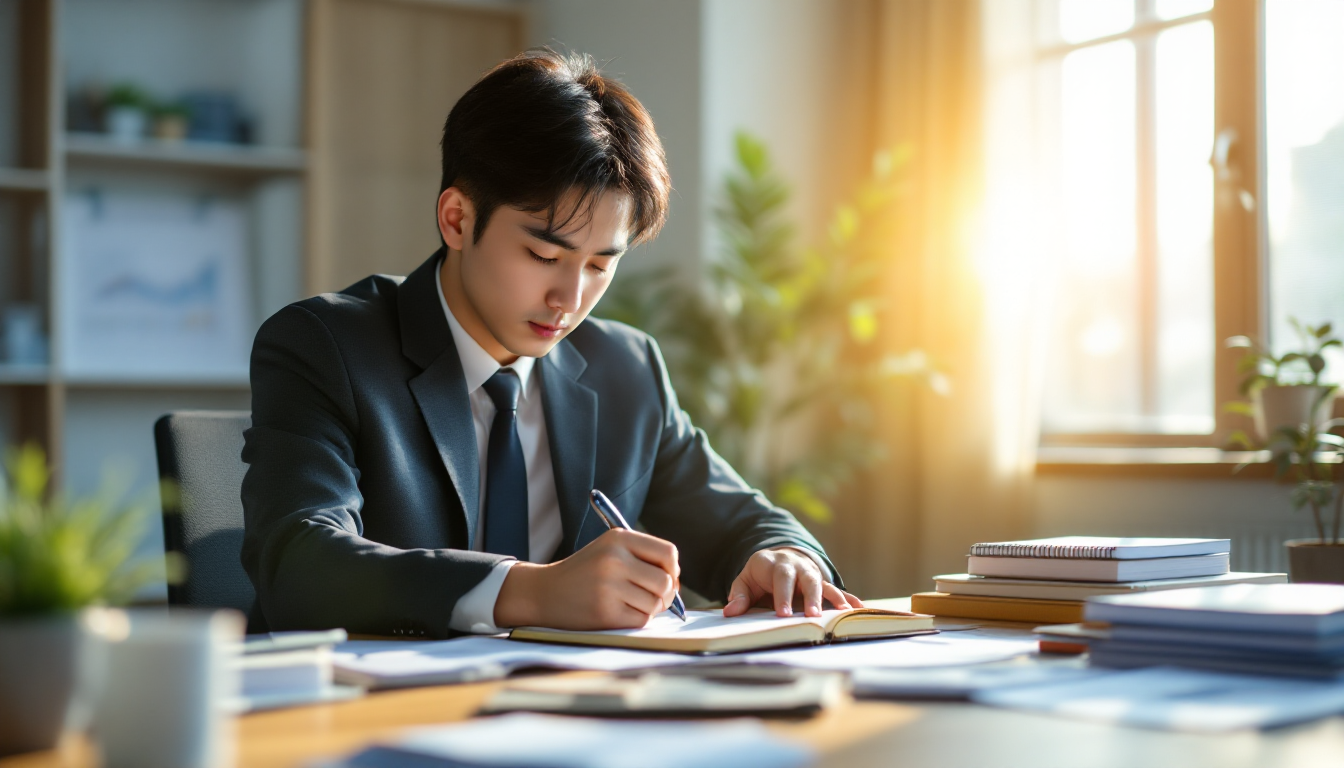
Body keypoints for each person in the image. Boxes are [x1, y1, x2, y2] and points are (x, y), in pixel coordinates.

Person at [240, 48, 862, 638]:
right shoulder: (328, 347)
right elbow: (299, 561)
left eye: (599, 266)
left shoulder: (626, 367)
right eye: (543, 254)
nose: (570, 299)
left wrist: (783, 556)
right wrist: (529, 591)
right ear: (457, 218)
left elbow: (741, 521)